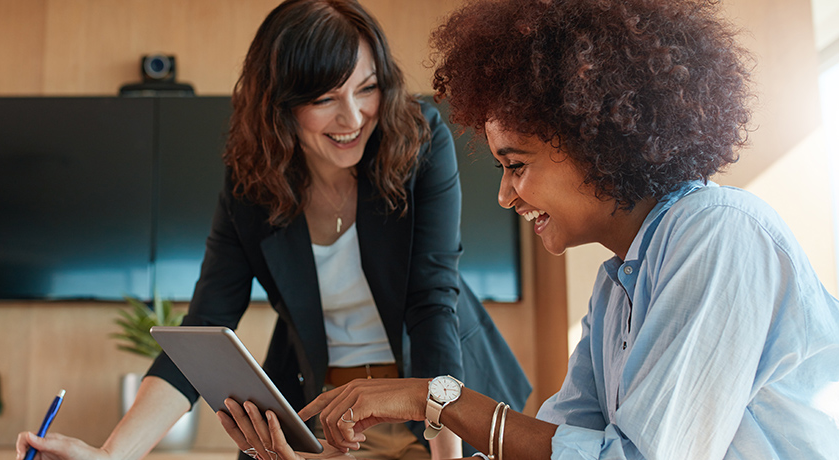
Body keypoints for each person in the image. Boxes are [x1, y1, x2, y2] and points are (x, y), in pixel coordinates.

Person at [218, 0, 839, 459]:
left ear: (596, 140)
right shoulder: (617, 285)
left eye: (516, 166)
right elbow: (564, 446)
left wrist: (432, 397)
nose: (505, 193)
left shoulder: (717, 235)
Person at [15, 1, 530, 459]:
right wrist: (111, 454)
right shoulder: (252, 183)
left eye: (367, 87)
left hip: (436, 396)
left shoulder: (419, 141)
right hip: (324, 411)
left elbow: (430, 301)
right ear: (279, 103)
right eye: (325, 98)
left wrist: (448, 454)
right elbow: (205, 325)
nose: (354, 116)